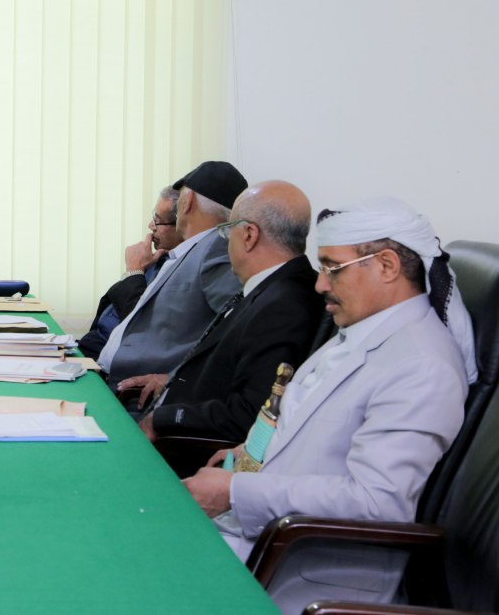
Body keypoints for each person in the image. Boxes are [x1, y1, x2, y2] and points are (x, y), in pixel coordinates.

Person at [183, 197, 475, 613]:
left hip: (303, 572)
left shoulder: (422, 365)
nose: (320, 284)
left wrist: (236, 491)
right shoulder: (363, 329)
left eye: (332, 268)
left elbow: (377, 502)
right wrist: (248, 455)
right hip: (259, 537)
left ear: (387, 266)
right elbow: (308, 427)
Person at [119, 180, 322, 449]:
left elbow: (250, 412)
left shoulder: (284, 304)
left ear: (249, 235)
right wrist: (170, 380)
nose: (226, 242)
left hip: (183, 447)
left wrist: (162, 419)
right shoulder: (272, 287)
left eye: (227, 230)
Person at [97, 161, 247, 386]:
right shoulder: (193, 248)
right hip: (117, 379)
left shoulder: (216, 248)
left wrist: (175, 378)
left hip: (139, 390)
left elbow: (236, 328)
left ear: (187, 202)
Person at [77, 187, 183, 358]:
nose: (151, 226)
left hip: (110, 358)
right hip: (93, 346)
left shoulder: (182, 271)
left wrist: (134, 271)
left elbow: (141, 326)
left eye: (157, 221)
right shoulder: (157, 259)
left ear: (182, 224)